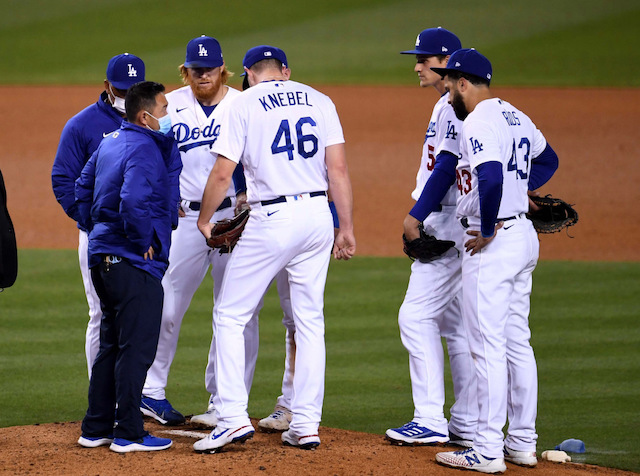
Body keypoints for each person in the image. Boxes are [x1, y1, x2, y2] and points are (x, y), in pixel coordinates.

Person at [192, 45, 356, 453]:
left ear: (248, 73)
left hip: (272, 219)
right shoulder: (320, 99)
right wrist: (346, 227)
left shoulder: (243, 103)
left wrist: (205, 219)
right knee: (309, 321)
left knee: (230, 315)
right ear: (285, 71)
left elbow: (223, 171)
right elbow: (337, 169)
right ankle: (305, 424)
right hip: (318, 215)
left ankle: (230, 418)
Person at [431, 49, 558, 472]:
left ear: (464, 82)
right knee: (517, 342)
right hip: (523, 238)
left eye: (450, 82)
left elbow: (488, 176)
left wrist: (487, 227)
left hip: (497, 242)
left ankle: (486, 449)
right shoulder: (514, 115)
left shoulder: (479, 120)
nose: (447, 89)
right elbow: (548, 159)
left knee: (485, 346)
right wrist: (521, 193)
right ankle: (522, 442)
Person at [75, 81, 182, 452]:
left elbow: (82, 188)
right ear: (145, 116)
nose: (168, 116)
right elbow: (133, 198)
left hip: (102, 257)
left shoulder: (110, 141)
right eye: (164, 110)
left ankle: (96, 428)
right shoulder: (145, 147)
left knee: (111, 345)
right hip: (132, 260)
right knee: (135, 348)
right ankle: (129, 434)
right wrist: (141, 243)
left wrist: (99, 231)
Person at [385, 27, 477, 447]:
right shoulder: (448, 104)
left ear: (445, 62)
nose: (417, 66)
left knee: (415, 316)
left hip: (446, 220)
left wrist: (415, 215)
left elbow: (446, 167)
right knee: (454, 325)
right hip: (458, 220)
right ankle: (467, 421)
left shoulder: (451, 108)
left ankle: (429, 419)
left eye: (424, 59)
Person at [51, 53, 146, 376]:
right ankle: (101, 398)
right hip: (100, 238)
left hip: (144, 237)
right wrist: (94, 223)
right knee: (103, 313)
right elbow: (63, 179)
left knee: (143, 314)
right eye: (121, 90)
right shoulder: (82, 125)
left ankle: (138, 395)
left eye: (134, 90)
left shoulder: (157, 120)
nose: (127, 97)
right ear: (107, 86)